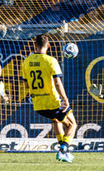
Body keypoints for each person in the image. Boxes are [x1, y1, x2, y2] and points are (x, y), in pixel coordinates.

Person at [22, 34, 77, 162]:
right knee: (72, 125)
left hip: (38, 104)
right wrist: (65, 99)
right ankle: (63, 150)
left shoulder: (26, 61)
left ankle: (65, 151)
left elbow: (26, 85)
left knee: (56, 121)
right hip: (52, 101)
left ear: (34, 45)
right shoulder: (51, 60)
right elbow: (57, 83)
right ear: (48, 46)